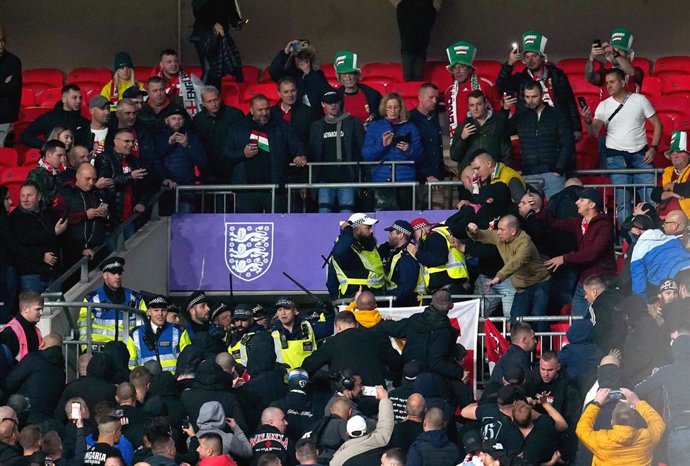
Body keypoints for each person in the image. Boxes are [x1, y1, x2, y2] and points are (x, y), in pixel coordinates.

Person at [582, 68, 662, 225]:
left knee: (649, 200)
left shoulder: (640, 100)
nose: (608, 86)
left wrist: (654, 148)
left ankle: (651, 235)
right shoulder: (603, 105)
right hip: (615, 156)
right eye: (607, 83)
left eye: (612, 82)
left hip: (641, 154)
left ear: (623, 82)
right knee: (622, 202)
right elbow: (593, 132)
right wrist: (587, 120)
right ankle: (627, 240)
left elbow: (658, 125)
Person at [468, 215, 551, 331]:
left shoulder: (525, 243)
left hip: (540, 283)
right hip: (522, 287)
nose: (497, 233)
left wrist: (498, 277)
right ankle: (517, 346)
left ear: (512, 231)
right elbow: (482, 235)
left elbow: (515, 263)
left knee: (538, 315)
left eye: (501, 230)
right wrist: (473, 231)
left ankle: (544, 347)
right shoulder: (500, 237)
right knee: (515, 319)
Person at [225, 94, 306, 213]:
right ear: (251, 110)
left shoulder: (281, 126)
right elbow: (226, 154)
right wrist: (243, 154)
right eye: (260, 110)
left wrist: (300, 155)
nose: (264, 112)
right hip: (246, 190)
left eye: (267, 109)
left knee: (278, 227)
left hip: (274, 188)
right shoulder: (238, 128)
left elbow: (296, 145)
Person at [497, 30, 582, 142]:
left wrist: (576, 128)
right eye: (527, 57)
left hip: (558, 128)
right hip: (531, 129)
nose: (530, 60)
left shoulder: (557, 75)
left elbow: (569, 101)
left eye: (534, 56)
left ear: (542, 57)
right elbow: (501, 86)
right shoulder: (521, 78)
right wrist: (509, 64)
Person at [544, 188, 616, 317]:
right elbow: (554, 224)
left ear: (592, 204)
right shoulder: (579, 222)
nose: (577, 202)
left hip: (602, 281)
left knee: (597, 321)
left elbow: (591, 253)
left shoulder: (604, 226)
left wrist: (564, 258)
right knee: (577, 322)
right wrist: (538, 210)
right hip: (584, 281)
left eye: (582, 200)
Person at [380, 288, 463, 399]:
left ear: (432, 302)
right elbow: (436, 362)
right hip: (430, 383)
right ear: (451, 306)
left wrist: (381, 322)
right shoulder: (444, 332)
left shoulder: (415, 320)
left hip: (408, 376)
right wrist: (459, 372)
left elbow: (394, 329)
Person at [505, 82, 575, 198]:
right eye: (527, 97)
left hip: (553, 173)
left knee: (556, 211)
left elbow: (567, 143)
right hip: (528, 173)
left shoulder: (556, 114)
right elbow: (502, 131)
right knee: (529, 213)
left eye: (534, 97)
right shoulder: (521, 117)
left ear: (542, 95)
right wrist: (505, 110)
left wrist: (559, 169)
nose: (530, 100)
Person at [302, 310, 402, 388]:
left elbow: (310, 364)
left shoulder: (332, 342)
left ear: (338, 327)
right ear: (356, 324)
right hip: (375, 394)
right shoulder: (376, 337)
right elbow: (395, 362)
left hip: (345, 397)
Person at [362, 92, 423, 210]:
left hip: (405, 180)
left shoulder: (411, 127)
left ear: (401, 108)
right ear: (384, 108)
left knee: (406, 219)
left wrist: (409, 150)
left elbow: (420, 156)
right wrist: (382, 145)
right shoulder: (375, 127)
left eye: (396, 107)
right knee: (384, 219)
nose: (393, 111)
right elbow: (366, 155)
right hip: (382, 180)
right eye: (389, 107)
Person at [308, 88, 364, 213]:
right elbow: (312, 152)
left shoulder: (353, 123)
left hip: (347, 178)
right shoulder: (316, 127)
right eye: (328, 103)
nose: (333, 105)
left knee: (347, 217)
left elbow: (361, 148)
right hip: (325, 179)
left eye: (335, 102)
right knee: (323, 216)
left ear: (340, 102)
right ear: (323, 104)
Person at [576, 388, 665, 466]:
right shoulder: (646, 438)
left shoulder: (601, 441)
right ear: (634, 422)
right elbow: (658, 423)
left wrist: (596, 404)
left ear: (611, 422)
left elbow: (582, 429)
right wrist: (637, 402)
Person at [8, 182, 66, 292]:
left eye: (29, 195)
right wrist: (41, 256)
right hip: (31, 275)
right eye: (22, 196)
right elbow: (22, 243)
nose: (25, 199)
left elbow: (61, 240)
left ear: (39, 196)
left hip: (53, 273)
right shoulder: (15, 218)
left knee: (57, 309)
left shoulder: (49, 213)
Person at [77, 256, 147, 348]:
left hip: (128, 352)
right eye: (113, 273)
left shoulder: (135, 298)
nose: (117, 276)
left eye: (119, 273)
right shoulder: (92, 299)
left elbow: (143, 325)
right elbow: (84, 327)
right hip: (100, 351)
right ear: (104, 276)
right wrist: (86, 349)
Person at [53, 163, 110, 267]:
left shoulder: (98, 193)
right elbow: (60, 219)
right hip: (73, 252)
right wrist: (85, 215)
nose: (91, 183)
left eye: (94, 179)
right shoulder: (65, 193)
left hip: (98, 247)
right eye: (87, 179)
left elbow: (109, 216)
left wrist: (105, 214)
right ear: (77, 176)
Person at [153, 106, 207, 213]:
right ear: (166, 120)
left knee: (185, 222)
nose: (177, 121)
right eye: (173, 118)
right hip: (164, 188)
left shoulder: (192, 137)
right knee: (165, 224)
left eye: (180, 118)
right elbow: (155, 160)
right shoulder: (158, 137)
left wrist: (187, 145)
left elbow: (202, 162)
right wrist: (168, 144)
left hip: (186, 188)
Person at [443, 40, 500, 138]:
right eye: (454, 68)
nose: (457, 71)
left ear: (470, 69)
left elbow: (498, 111)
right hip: (460, 141)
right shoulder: (448, 92)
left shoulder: (486, 85)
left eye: (462, 67)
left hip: (485, 139)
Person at [5, 333, 64, 424]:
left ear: (42, 344)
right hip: (46, 420)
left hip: (25, 417)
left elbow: (11, 382)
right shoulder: (62, 372)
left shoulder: (33, 359)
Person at [330, 386, 394, 466]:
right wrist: (384, 399)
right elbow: (385, 425)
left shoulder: (339, 458)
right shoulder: (377, 441)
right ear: (366, 429)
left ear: (347, 433)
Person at [95, 129, 150, 222]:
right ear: (116, 141)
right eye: (127, 141)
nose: (131, 144)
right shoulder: (104, 158)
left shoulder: (135, 161)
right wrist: (130, 176)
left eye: (133, 142)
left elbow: (145, 186)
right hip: (112, 214)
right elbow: (106, 183)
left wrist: (142, 202)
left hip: (132, 214)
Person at [450, 90, 512, 171]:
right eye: (472, 105)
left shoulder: (499, 123)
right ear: (468, 106)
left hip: (493, 175)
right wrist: (462, 139)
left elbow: (507, 152)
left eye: (479, 104)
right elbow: (454, 156)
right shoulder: (462, 127)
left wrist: (504, 172)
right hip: (471, 176)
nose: (475, 108)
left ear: (486, 104)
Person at [327, 213, 385, 299]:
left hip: (375, 296)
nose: (372, 231)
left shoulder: (368, 244)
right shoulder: (345, 250)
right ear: (356, 230)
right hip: (354, 299)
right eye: (368, 228)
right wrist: (347, 230)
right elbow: (332, 282)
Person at [193, 85, 243, 185]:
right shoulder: (198, 120)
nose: (214, 104)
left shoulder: (235, 115)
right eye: (209, 101)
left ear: (220, 98)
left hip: (232, 170)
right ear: (203, 103)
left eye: (215, 100)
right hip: (208, 172)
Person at [268, 40, 330, 119]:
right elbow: (273, 71)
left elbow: (326, 93)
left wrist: (309, 73)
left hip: (315, 117)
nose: (301, 60)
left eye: (305, 57)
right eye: (299, 57)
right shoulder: (290, 75)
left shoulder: (317, 75)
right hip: (295, 117)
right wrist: (285, 52)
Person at [410, 83, 447, 209]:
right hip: (419, 179)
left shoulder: (434, 119)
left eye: (436, 98)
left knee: (438, 214)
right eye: (431, 97)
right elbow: (413, 151)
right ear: (420, 97)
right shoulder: (411, 119)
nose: (435, 101)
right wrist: (427, 174)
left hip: (437, 176)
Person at [190, 0, 244, 88]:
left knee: (218, 72)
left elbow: (231, 11)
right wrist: (213, 23)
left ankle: (214, 97)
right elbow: (198, 12)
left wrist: (236, 22)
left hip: (221, 35)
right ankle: (203, 97)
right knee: (209, 69)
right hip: (205, 35)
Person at [270, 296, 332, 371]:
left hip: (309, 377)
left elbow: (331, 328)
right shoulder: (271, 334)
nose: (283, 313)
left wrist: (328, 310)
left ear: (296, 311)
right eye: (279, 310)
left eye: (287, 309)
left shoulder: (309, 327)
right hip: (283, 379)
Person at [126, 295, 187, 372]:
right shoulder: (135, 334)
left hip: (173, 381)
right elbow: (131, 364)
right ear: (149, 312)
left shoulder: (179, 331)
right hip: (146, 382)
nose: (160, 314)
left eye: (163, 310)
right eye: (156, 310)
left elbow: (187, 359)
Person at [409, 218, 469, 295]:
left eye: (413, 235)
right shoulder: (438, 235)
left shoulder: (434, 236)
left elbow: (439, 259)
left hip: (448, 289)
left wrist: (416, 253)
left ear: (422, 229)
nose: (414, 239)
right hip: (452, 285)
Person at [21, 84, 91, 149]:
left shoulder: (84, 122)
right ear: (64, 99)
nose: (79, 101)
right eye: (74, 98)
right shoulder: (49, 118)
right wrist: (47, 146)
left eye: (80, 98)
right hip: (53, 160)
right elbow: (26, 137)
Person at [630, 224, 690, 298]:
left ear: (637, 231)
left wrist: (641, 303)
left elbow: (638, 280)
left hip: (673, 277)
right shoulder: (671, 238)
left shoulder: (638, 250)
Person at [585, 27, 644, 97]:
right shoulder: (605, 73)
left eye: (620, 51)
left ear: (628, 55)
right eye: (614, 51)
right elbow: (590, 78)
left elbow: (631, 73)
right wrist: (591, 57)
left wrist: (614, 52)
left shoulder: (637, 71)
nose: (615, 53)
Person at [377, 220, 422, 307]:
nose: (388, 236)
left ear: (400, 235)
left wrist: (382, 297)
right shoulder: (397, 254)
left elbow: (406, 287)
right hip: (396, 302)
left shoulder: (407, 256)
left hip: (403, 305)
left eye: (391, 232)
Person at [333, 50, 382, 125]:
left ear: (356, 75)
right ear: (340, 78)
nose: (348, 78)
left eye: (351, 73)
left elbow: (381, 119)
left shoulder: (373, 95)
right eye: (344, 75)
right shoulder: (336, 98)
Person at [152, 48, 204, 117]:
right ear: (161, 64)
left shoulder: (190, 79)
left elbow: (202, 99)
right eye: (169, 62)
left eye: (176, 61)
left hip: (185, 119)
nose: (174, 64)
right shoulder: (153, 82)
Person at [581, 275, 626, 353]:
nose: (585, 297)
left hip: (608, 351)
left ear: (594, 292)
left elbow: (594, 330)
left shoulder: (595, 307)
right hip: (626, 347)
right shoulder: (622, 297)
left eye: (585, 293)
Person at [653, 131, 690, 219]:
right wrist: (672, 194)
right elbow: (655, 194)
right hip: (664, 217)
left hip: (686, 218)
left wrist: (671, 186)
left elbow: (688, 189)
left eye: (680, 152)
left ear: (689, 155)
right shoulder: (668, 171)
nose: (675, 156)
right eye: (673, 153)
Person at [0, 291, 43, 361]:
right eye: (38, 309)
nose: (41, 313)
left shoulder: (36, 330)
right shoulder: (9, 332)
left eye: (42, 309)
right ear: (25, 309)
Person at [271, 76, 314, 146]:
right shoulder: (272, 112)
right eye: (286, 92)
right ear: (279, 93)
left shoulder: (307, 112)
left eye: (293, 91)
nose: (290, 95)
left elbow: (311, 139)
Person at [26, 139, 67, 210]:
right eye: (59, 155)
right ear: (48, 154)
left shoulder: (56, 173)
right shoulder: (36, 175)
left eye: (64, 156)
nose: (62, 160)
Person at [0, 25, 21, 147]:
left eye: (2, 41)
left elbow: (12, 89)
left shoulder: (13, 61)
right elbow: (6, 88)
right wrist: (3, 84)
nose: (1, 44)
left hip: (4, 116)